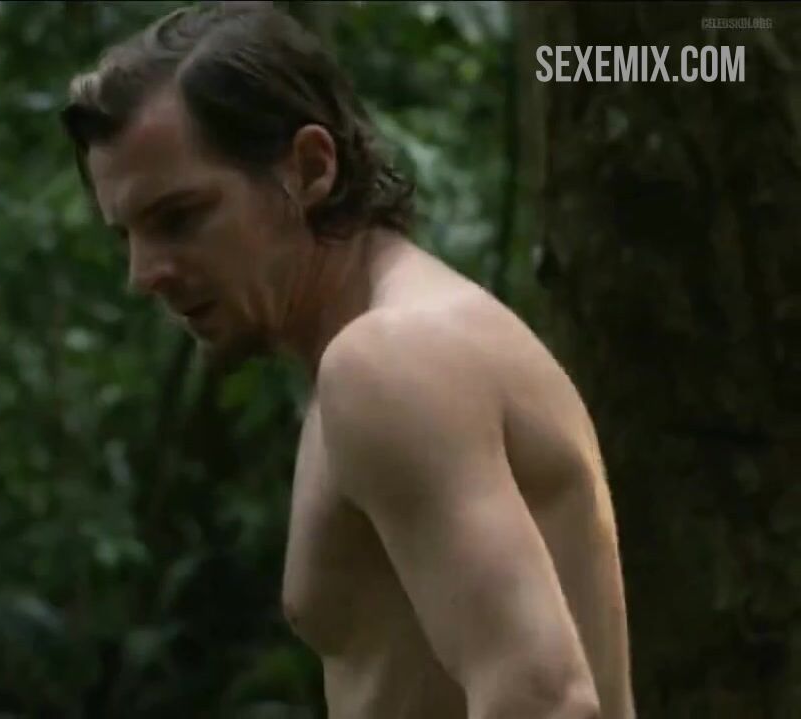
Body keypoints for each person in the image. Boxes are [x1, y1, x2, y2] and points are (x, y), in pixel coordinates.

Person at [59, 4, 634, 718]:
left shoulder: (389, 359)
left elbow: (545, 702)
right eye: (128, 236)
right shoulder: (401, 345)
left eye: (179, 218)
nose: (144, 273)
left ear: (310, 168)